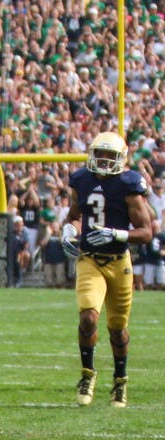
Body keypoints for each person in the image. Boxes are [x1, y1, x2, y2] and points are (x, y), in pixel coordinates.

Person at [61, 132, 152, 408]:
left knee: (117, 328)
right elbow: (74, 215)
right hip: (89, 259)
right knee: (88, 317)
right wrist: (68, 230)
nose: (102, 160)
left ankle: (120, 380)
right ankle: (87, 375)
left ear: (120, 159)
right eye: (99, 154)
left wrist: (116, 234)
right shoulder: (81, 180)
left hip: (118, 261)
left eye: (109, 156)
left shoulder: (129, 184)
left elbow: (147, 232)